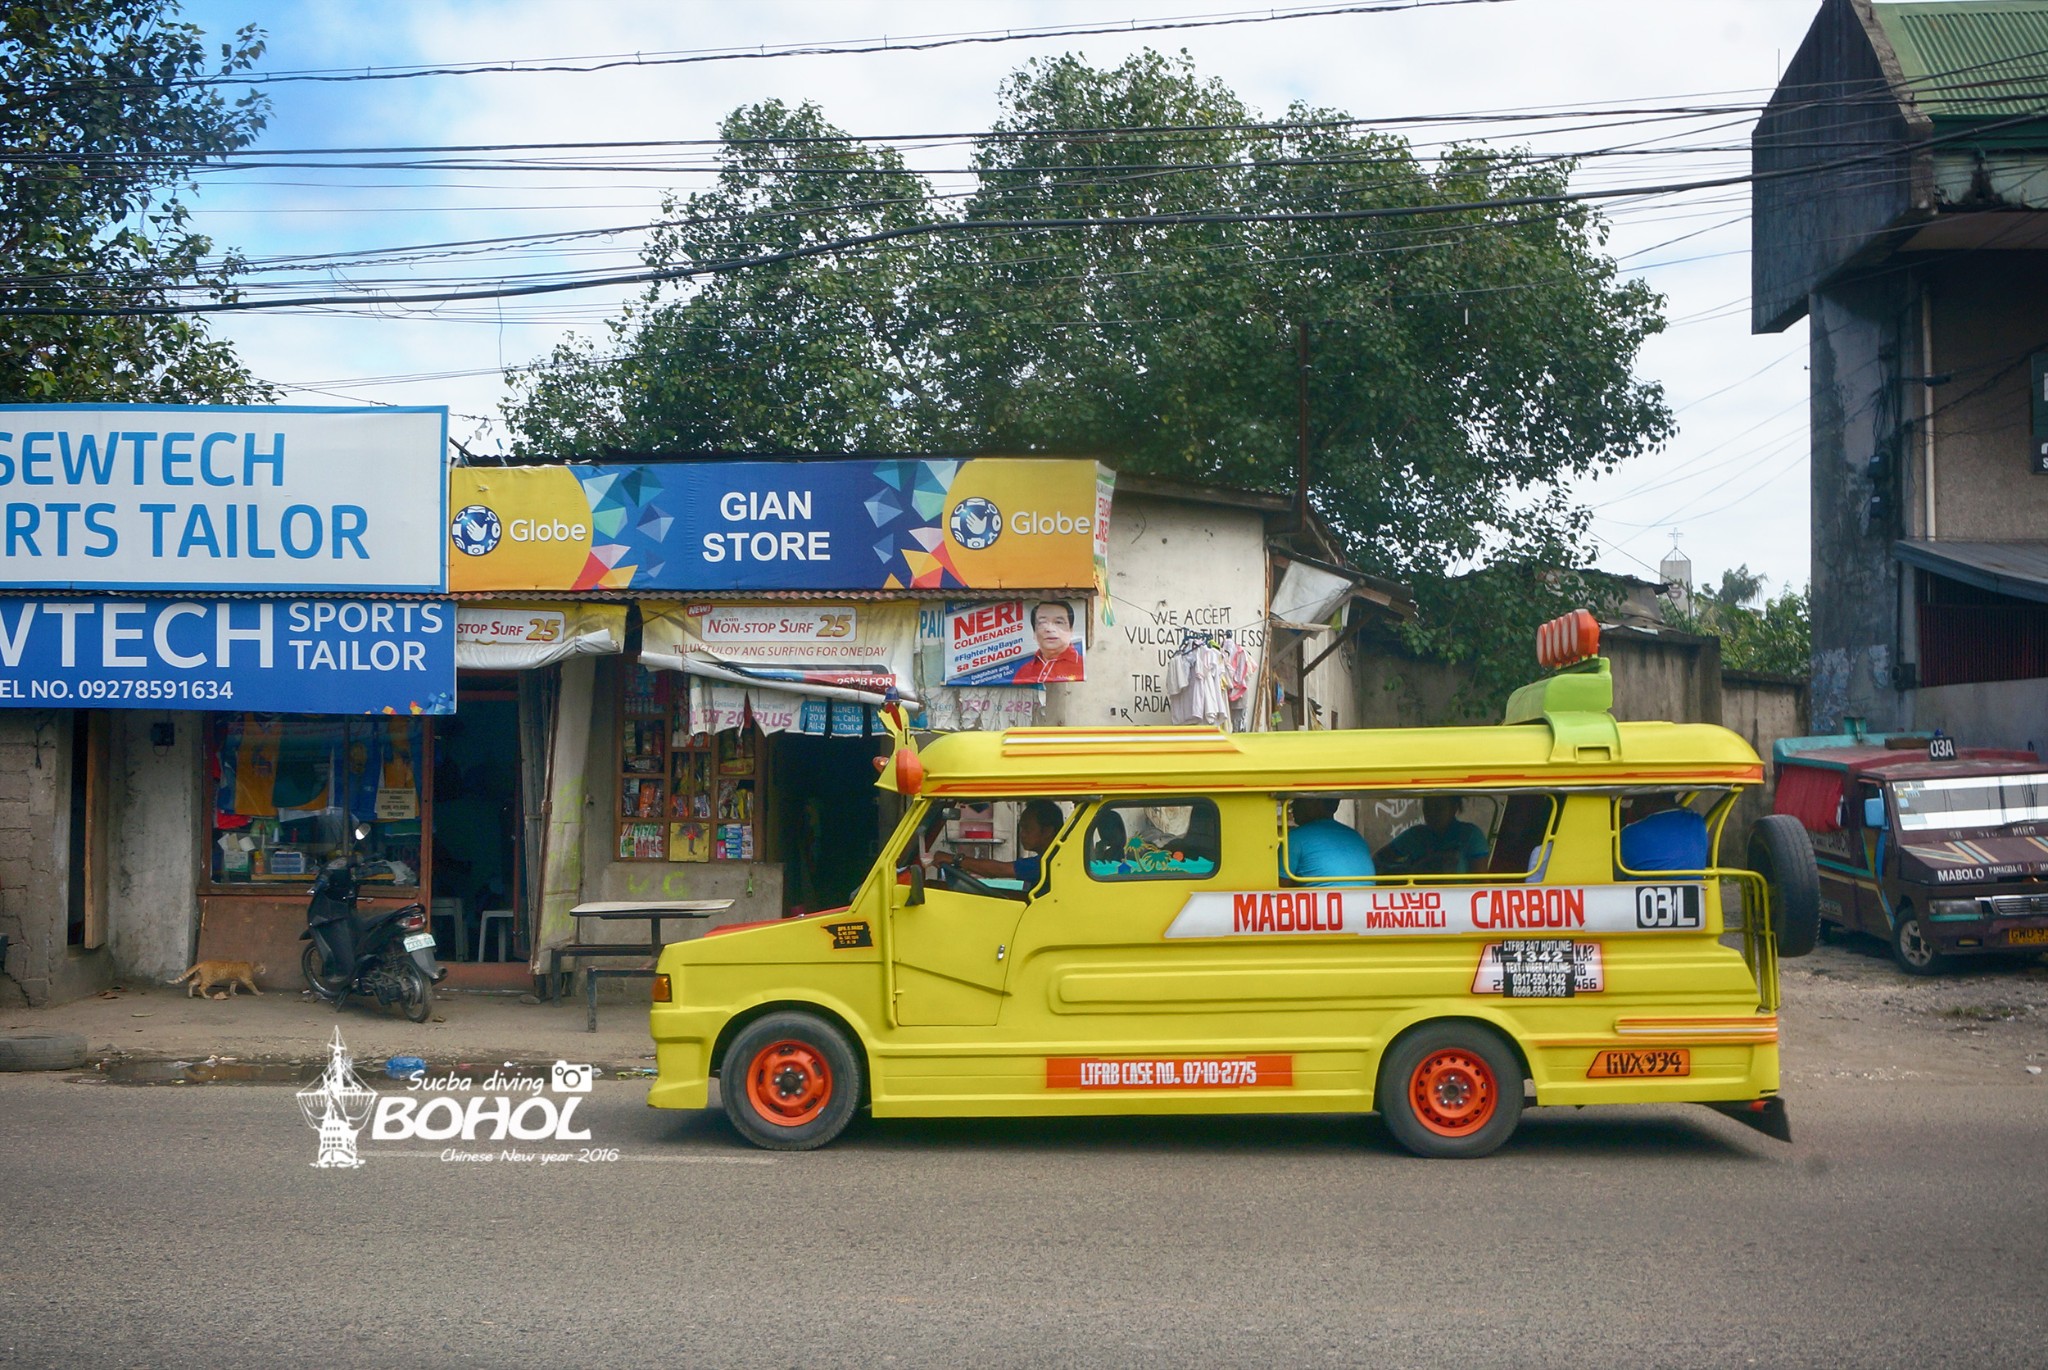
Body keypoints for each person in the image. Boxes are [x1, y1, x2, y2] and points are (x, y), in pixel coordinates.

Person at [932, 799, 1065, 891]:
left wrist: (956, 859)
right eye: (1021, 828)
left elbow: (999, 870)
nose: (1022, 834)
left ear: (1047, 831)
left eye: (1027, 828)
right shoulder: (1052, 857)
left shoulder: (1050, 862)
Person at [1377, 795, 1490, 876]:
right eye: (1427, 807)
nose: (1431, 813)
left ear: (1453, 808)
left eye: (1438, 808)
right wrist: (1410, 870)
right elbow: (1379, 860)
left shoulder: (1470, 835)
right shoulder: (1415, 835)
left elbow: (1480, 882)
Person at [1283, 797, 1376, 883]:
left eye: (1298, 800)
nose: (1293, 806)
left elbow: (1279, 888)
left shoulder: (1295, 837)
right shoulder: (1355, 836)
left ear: (1316, 804)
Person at [1619, 794, 1709, 872]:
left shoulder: (1630, 833)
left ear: (1644, 805)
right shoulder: (1697, 821)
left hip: (1641, 886)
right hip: (1695, 883)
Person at [1010, 601, 1084, 684]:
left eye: (1058, 622)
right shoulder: (1023, 671)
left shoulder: (1083, 666)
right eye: (1042, 623)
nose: (1049, 629)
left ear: (1071, 630)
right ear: (1034, 633)